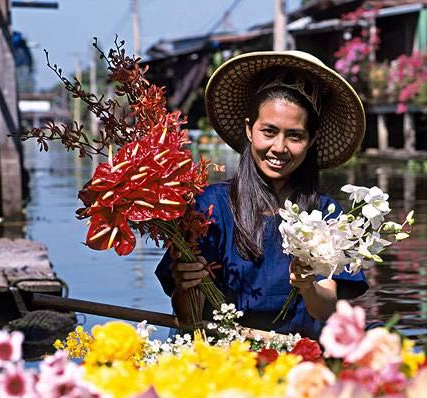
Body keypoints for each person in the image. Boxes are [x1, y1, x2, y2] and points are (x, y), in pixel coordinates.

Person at [155, 51, 367, 339]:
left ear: (311, 140)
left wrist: (307, 286)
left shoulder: (326, 213)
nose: (279, 148)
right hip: (221, 356)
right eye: (269, 131)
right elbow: (189, 318)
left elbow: (326, 309)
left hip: (297, 356)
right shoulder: (208, 207)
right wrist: (185, 284)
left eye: (295, 136)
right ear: (249, 129)